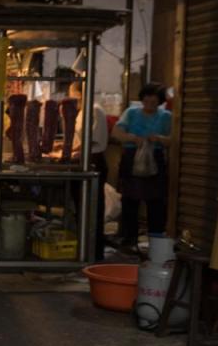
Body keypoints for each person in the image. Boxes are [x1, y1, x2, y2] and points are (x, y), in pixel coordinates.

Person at [112, 83, 172, 249]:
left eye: (155, 99)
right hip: (131, 159)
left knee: (156, 202)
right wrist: (132, 138)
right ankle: (129, 237)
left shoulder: (166, 116)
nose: (150, 102)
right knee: (130, 200)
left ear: (159, 101)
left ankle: (156, 241)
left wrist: (159, 138)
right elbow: (116, 133)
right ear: (142, 98)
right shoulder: (131, 113)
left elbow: (173, 139)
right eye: (147, 98)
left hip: (155, 159)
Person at [70, 82, 110, 260]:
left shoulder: (95, 110)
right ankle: (83, 248)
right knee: (80, 206)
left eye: (72, 93)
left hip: (93, 161)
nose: (71, 97)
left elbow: (94, 139)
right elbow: (81, 138)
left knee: (93, 207)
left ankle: (94, 252)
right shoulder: (82, 110)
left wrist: (75, 150)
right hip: (81, 160)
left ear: (79, 93)